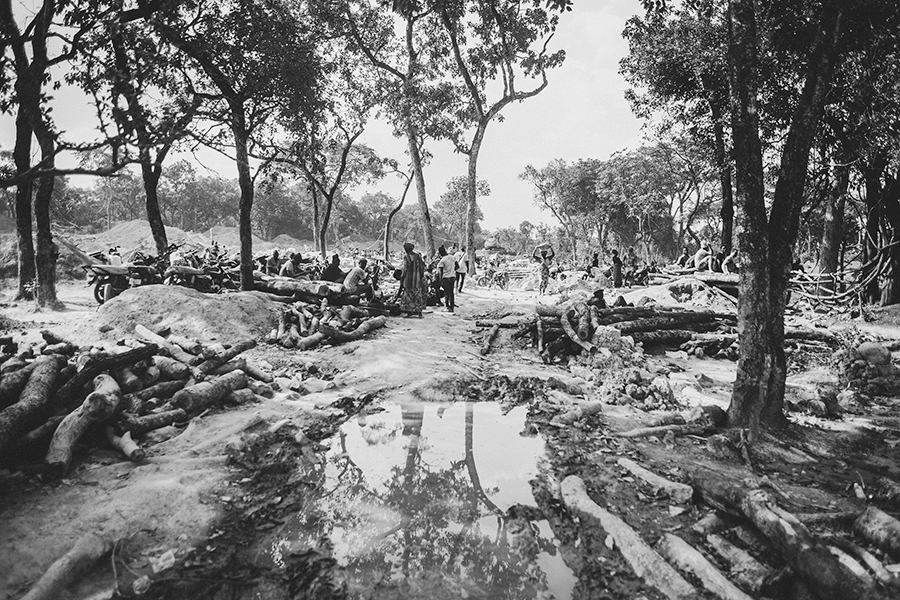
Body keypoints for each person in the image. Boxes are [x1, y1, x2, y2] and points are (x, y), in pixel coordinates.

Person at [399, 242, 426, 317]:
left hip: (408, 279)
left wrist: (402, 278)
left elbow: (405, 269)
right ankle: (419, 313)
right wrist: (421, 276)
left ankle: (409, 312)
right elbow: (422, 268)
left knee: (408, 296)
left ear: (406, 249)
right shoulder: (418, 256)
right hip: (417, 279)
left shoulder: (406, 257)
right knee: (417, 295)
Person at [436, 245, 456, 312]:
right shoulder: (452, 257)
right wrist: (452, 270)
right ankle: (452, 307)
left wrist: (440, 280)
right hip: (452, 277)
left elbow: (440, 272)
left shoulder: (442, 261)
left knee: (446, 293)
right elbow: (457, 267)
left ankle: (447, 307)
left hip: (446, 278)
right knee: (451, 293)